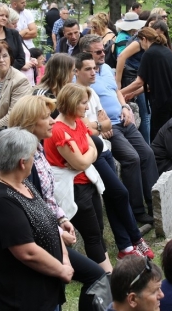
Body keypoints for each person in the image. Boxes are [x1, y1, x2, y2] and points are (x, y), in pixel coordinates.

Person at [7, 95, 109, 310]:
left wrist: (61, 217)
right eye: (46, 117)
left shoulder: (38, 149)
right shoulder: (23, 162)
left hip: (50, 230)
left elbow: (46, 197)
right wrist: (56, 230)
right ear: (30, 122)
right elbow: (29, 205)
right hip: (39, 240)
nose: (53, 121)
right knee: (95, 275)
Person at [73, 52, 154, 259]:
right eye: (88, 69)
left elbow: (105, 122)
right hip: (92, 153)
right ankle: (136, 239)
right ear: (76, 72)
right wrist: (98, 126)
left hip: (104, 148)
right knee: (120, 192)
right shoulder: (74, 95)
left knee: (113, 196)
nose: (94, 72)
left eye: (94, 68)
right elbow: (81, 128)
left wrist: (97, 126)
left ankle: (125, 247)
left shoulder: (93, 93)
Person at [0, 128, 70, 310]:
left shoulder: (24, 183)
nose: (34, 161)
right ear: (22, 162)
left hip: (44, 291)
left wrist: (65, 259)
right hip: (20, 299)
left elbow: (49, 220)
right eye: (33, 156)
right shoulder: (2, 200)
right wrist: (61, 270)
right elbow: (27, 252)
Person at [80, 35, 159, 224]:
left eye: (103, 50)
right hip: (109, 127)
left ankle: (155, 204)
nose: (103, 53)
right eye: (98, 51)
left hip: (123, 120)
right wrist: (101, 126)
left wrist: (124, 107)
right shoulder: (81, 76)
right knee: (132, 158)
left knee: (147, 153)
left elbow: (116, 90)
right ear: (86, 54)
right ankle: (136, 211)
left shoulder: (106, 68)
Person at [43, 83, 113, 272]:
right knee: (92, 235)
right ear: (72, 103)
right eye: (83, 103)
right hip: (74, 189)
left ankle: (106, 272)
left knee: (98, 230)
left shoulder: (78, 122)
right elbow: (82, 161)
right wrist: (84, 159)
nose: (87, 107)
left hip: (87, 182)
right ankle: (107, 276)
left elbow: (93, 150)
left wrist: (84, 158)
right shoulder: (59, 129)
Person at [120, 27, 172, 141]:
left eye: (141, 42)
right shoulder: (166, 50)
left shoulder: (150, 53)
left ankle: (158, 158)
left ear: (144, 39)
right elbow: (153, 82)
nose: (141, 46)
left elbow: (139, 82)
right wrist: (133, 94)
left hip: (165, 99)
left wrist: (119, 92)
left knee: (159, 134)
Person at [0, 2, 33, 72]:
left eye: (6, 16)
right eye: (1, 15)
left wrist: (7, 69)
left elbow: (21, 58)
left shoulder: (14, 34)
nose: (4, 18)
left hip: (13, 75)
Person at [33, 52, 76, 118]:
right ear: (63, 73)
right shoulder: (41, 95)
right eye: (73, 70)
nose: (74, 74)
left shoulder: (67, 91)